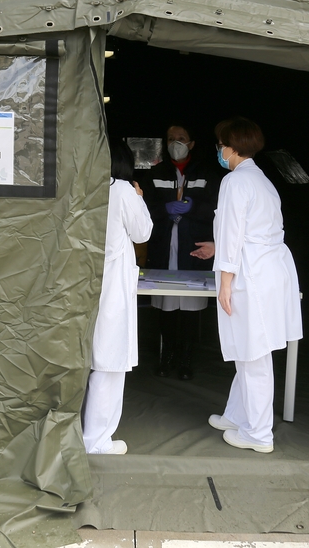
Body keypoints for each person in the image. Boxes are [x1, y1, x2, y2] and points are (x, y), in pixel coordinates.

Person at [191, 117, 301, 454]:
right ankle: (238, 416)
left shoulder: (235, 181)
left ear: (231, 146)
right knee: (249, 352)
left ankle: (258, 434)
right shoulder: (261, 179)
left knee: (253, 356)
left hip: (251, 276)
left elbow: (234, 235)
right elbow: (249, 233)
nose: (219, 150)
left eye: (221, 143)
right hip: (267, 271)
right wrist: (217, 247)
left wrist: (224, 283)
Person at [82, 139, 153, 455]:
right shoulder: (123, 190)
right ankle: (96, 440)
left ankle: (90, 436)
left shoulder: (86, 188)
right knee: (109, 365)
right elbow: (143, 233)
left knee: (94, 361)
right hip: (112, 290)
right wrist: (140, 198)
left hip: (87, 284)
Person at [142, 124, 220, 380]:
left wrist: (193, 208)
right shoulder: (156, 172)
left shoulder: (207, 173)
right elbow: (142, 210)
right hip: (163, 248)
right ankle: (167, 357)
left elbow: (217, 210)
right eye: (171, 139)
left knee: (190, 309)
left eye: (181, 139)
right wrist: (166, 209)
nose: (176, 143)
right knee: (166, 308)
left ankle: (186, 359)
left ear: (192, 143)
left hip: (193, 249)